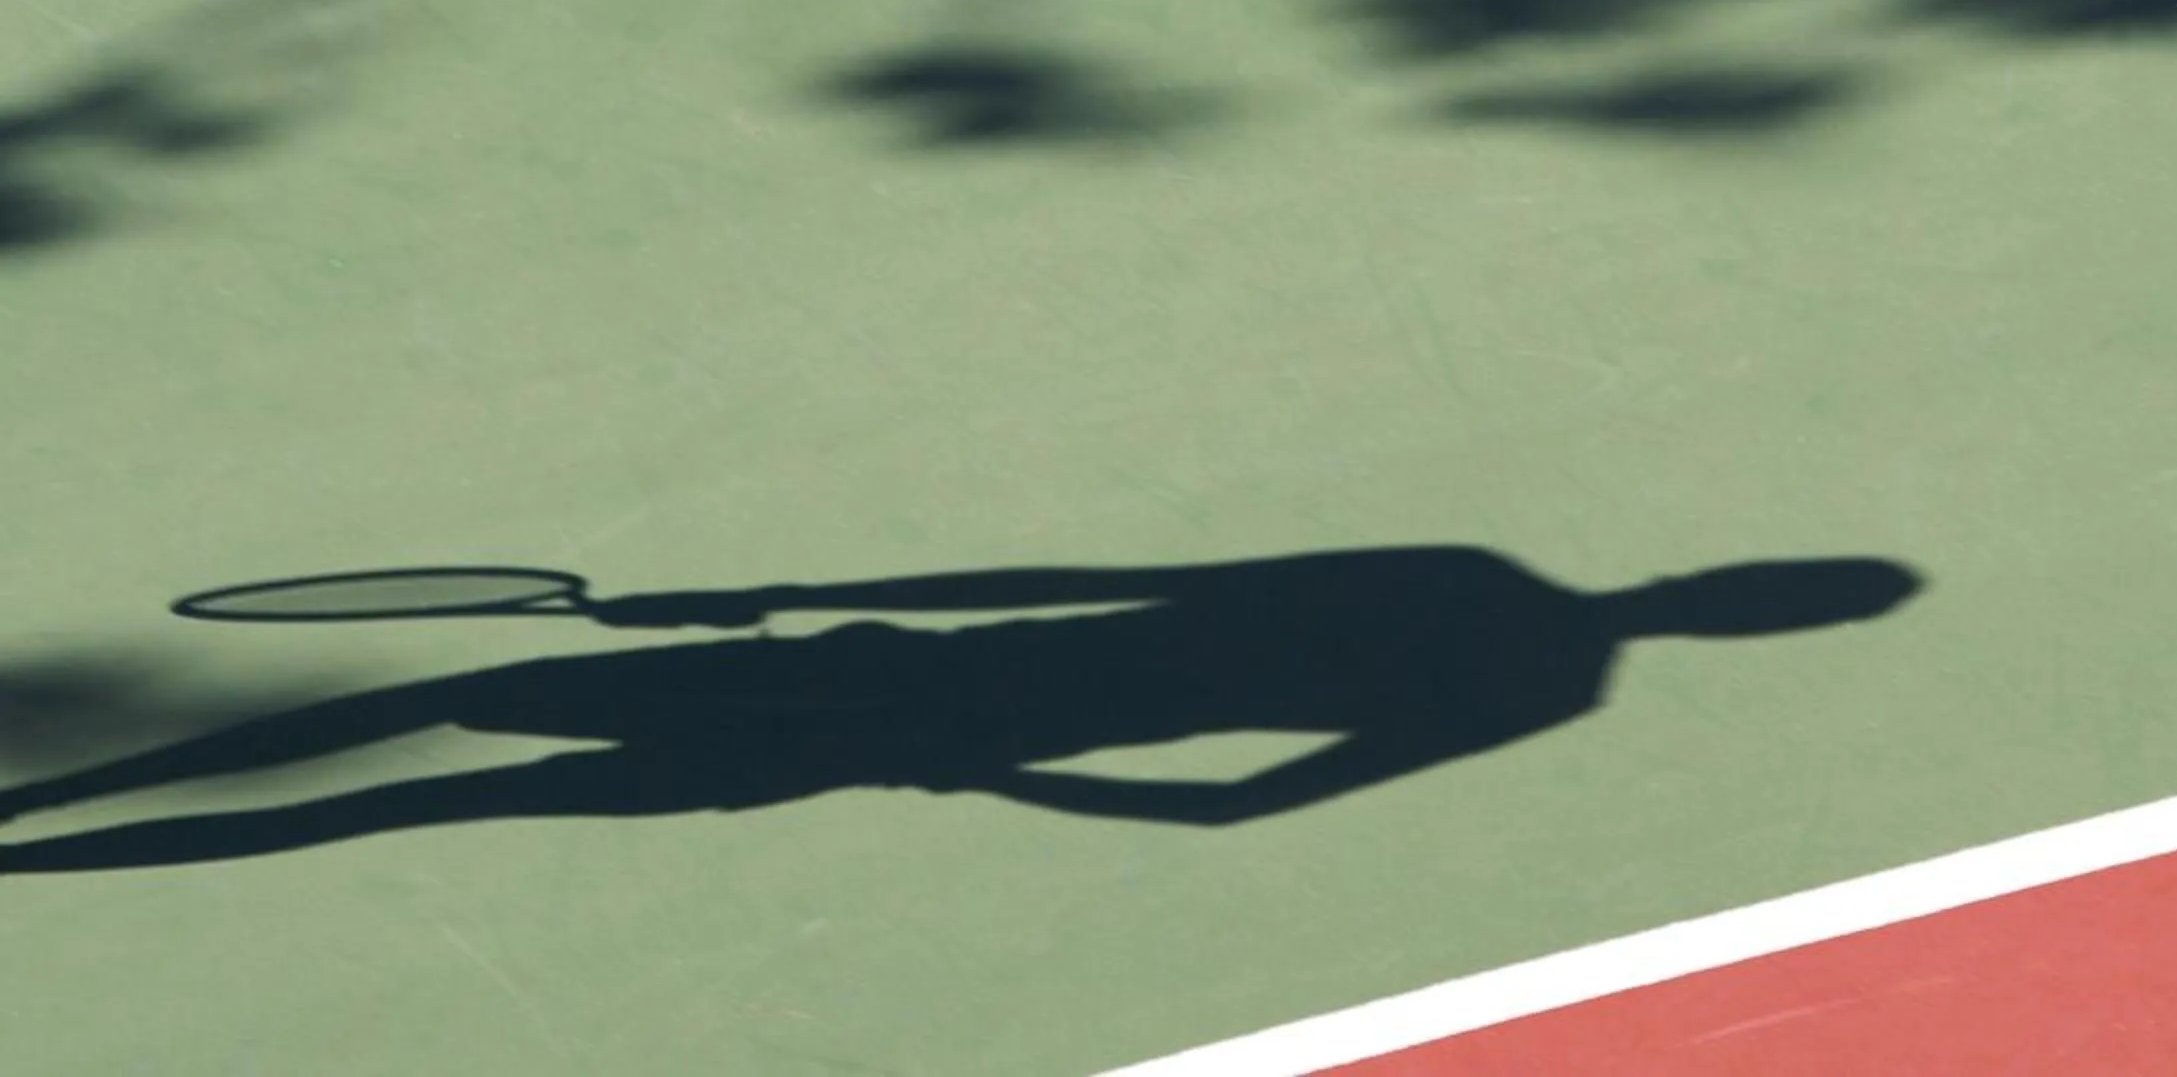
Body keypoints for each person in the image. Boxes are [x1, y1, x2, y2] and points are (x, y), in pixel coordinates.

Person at [0, 545, 1918, 869]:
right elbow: (1227, 804)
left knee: (428, 746)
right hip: (880, 715)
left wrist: (793, 613)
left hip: (865, 687)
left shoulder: (1477, 596)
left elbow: (1079, 582)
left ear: (1739, 600)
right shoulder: (1526, 677)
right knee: (419, 786)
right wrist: (973, 778)